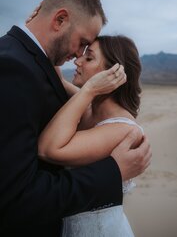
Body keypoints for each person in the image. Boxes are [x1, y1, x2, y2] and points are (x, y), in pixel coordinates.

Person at [0, 0, 151, 237]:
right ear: (59, 20)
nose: (78, 57)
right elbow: (58, 81)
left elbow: (56, 81)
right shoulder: (16, 69)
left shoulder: (24, 63)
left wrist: (31, 31)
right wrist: (113, 173)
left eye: (88, 54)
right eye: (82, 43)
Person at [38, 35, 147, 237]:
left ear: (112, 73)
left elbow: (48, 149)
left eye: (89, 58)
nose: (77, 61)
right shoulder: (89, 107)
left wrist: (88, 89)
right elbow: (57, 79)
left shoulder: (121, 128)